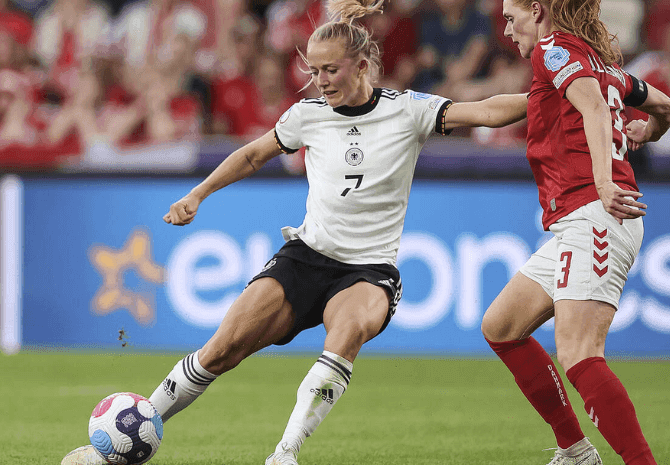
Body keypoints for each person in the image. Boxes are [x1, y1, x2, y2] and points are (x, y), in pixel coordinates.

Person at [61, 0, 529, 463]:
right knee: (220, 350)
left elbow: (485, 111)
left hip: (368, 270)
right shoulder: (308, 115)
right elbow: (251, 155)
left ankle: (285, 455)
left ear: (362, 65)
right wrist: (197, 195)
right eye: (314, 70)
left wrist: (552, 94)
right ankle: (118, 447)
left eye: (330, 71)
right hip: (306, 256)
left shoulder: (408, 111)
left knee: (346, 332)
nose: (320, 81)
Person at [480, 0, 670, 464]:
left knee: (580, 352)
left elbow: (595, 112)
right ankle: (576, 451)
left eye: (511, 17)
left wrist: (604, 182)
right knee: (502, 327)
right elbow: (663, 103)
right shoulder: (598, 63)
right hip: (581, 220)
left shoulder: (553, 51)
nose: (507, 30)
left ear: (539, 11)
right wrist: (654, 129)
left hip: (597, 213)